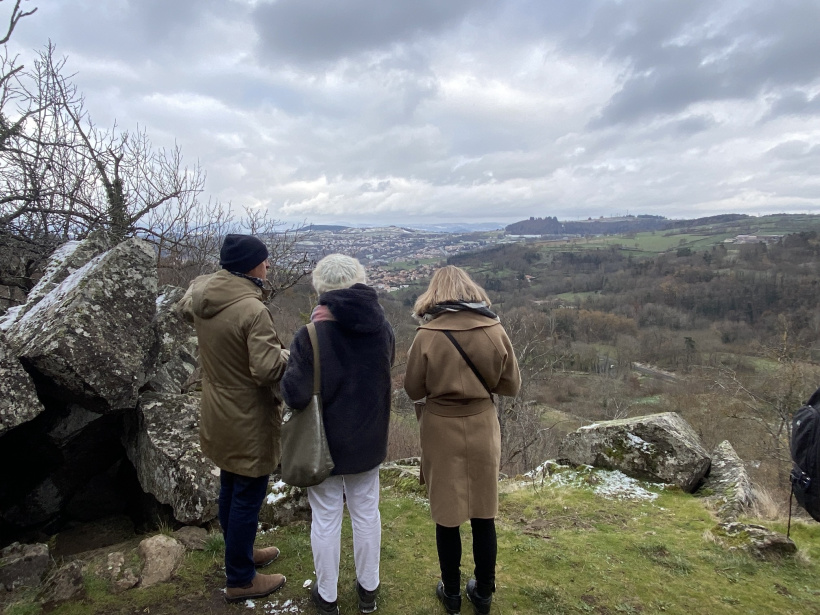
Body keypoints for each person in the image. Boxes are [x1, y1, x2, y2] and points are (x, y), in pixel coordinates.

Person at [281, 254, 395, 615]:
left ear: (321, 290)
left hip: (324, 443)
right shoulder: (382, 328)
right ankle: (368, 591)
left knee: (326, 517)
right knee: (366, 513)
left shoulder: (311, 335)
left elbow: (295, 394)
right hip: (368, 438)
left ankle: (327, 596)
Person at [178, 234, 289, 603]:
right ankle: (241, 579)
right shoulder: (251, 310)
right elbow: (266, 369)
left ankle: (238, 554)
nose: (269, 265)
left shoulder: (203, 297)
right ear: (250, 265)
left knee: (230, 484)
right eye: (264, 259)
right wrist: (290, 355)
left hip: (218, 405)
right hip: (248, 414)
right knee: (247, 493)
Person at [403, 266, 521, 615]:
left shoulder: (426, 334)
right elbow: (511, 385)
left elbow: (413, 389)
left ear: (434, 294)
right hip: (483, 425)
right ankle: (483, 592)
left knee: (447, 514)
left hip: (440, 427)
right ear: (470, 290)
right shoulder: (494, 329)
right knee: (484, 513)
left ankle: (452, 593)